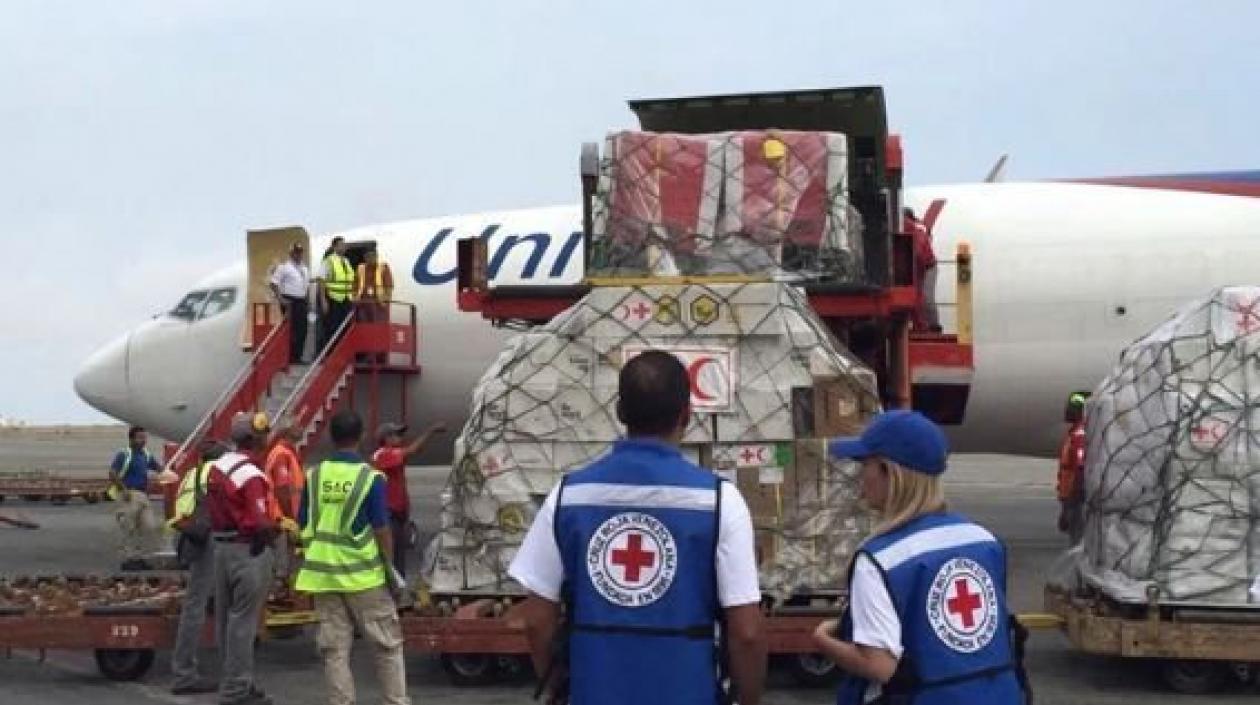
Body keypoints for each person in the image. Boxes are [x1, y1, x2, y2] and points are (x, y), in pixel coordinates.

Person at [509, 351, 768, 705]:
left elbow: (536, 620)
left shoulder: (567, 496)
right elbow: (747, 633)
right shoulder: (720, 501)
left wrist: (557, 689)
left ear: (619, 413)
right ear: (687, 415)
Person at [813, 410, 1028, 705]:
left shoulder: (879, 559)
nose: (861, 478)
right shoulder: (982, 538)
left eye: (865, 465)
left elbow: (879, 665)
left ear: (890, 472)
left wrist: (824, 640)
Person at [296, 410, 410, 705]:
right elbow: (382, 529)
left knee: (334, 651)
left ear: (331, 438)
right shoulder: (370, 478)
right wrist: (389, 569)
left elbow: (304, 522)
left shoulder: (314, 475)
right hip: (364, 578)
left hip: (324, 577)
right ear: (360, 438)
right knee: (387, 646)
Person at [206, 413, 278, 705]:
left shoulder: (218, 466)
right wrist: (274, 535)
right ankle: (237, 689)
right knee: (244, 622)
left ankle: (234, 681)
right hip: (246, 548)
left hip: (221, 548)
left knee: (227, 620)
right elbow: (260, 522)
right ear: (255, 439)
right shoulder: (251, 475)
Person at [168, 440, 228, 696]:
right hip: (205, 540)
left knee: (200, 601)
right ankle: (184, 673)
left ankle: (189, 668)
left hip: (187, 537)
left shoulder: (192, 474)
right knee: (196, 605)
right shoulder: (214, 474)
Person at [371, 421, 446, 576]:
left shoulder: (392, 455)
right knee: (390, 558)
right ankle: (391, 590)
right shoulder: (383, 454)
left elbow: (415, 451)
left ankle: (398, 590)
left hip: (397, 515)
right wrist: (430, 430)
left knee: (398, 557)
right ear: (386, 438)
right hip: (388, 515)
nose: (400, 438)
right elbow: (413, 450)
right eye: (396, 435)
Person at [109, 426, 162, 569]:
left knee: (148, 526)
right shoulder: (124, 455)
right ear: (131, 439)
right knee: (128, 528)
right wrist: (123, 489)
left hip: (143, 495)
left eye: (144, 438)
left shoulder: (146, 454)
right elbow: (112, 473)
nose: (143, 441)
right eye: (140, 438)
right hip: (129, 495)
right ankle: (128, 559)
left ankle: (141, 557)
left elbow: (158, 467)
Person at [264, 419, 306, 581]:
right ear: (287, 431)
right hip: (281, 518)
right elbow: (282, 489)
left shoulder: (287, 452)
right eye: (297, 425)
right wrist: (290, 519)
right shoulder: (282, 454)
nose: (301, 428)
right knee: (283, 567)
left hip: (283, 517)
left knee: (286, 563)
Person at [269, 242, 312, 364]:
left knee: (302, 329)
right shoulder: (284, 267)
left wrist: (307, 301)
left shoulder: (304, 269)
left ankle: (298, 356)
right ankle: (289, 357)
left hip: (302, 300)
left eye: (300, 252)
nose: (298, 255)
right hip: (290, 300)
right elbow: (273, 283)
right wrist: (281, 299)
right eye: (296, 252)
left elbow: (306, 286)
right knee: (291, 329)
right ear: (291, 253)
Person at [1057, 393, 1089, 543]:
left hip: (1076, 499)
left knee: (1078, 541)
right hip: (1071, 497)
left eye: (1072, 408)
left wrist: (1071, 503)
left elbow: (1080, 468)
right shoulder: (1075, 433)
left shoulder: (1079, 435)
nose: (1067, 411)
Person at [316, 236, 356, 354]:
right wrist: (323, 300)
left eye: (344, 245)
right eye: (341, 245)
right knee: (333, 327)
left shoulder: (346, 261)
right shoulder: (328, 261)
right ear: (334, 247)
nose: (344, 247)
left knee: (346, 327)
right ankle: (331, 353)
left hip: (346, 299)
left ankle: (343, 352)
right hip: (333, 299)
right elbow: (321, 280)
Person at [905, 208, 940, 332]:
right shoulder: (914, 230)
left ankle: (934, 326)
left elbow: (918, 253)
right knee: (916, 297)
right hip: (915, 267)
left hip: (928, 267)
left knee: (926, 296)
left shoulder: (916, 232)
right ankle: (919, 325)